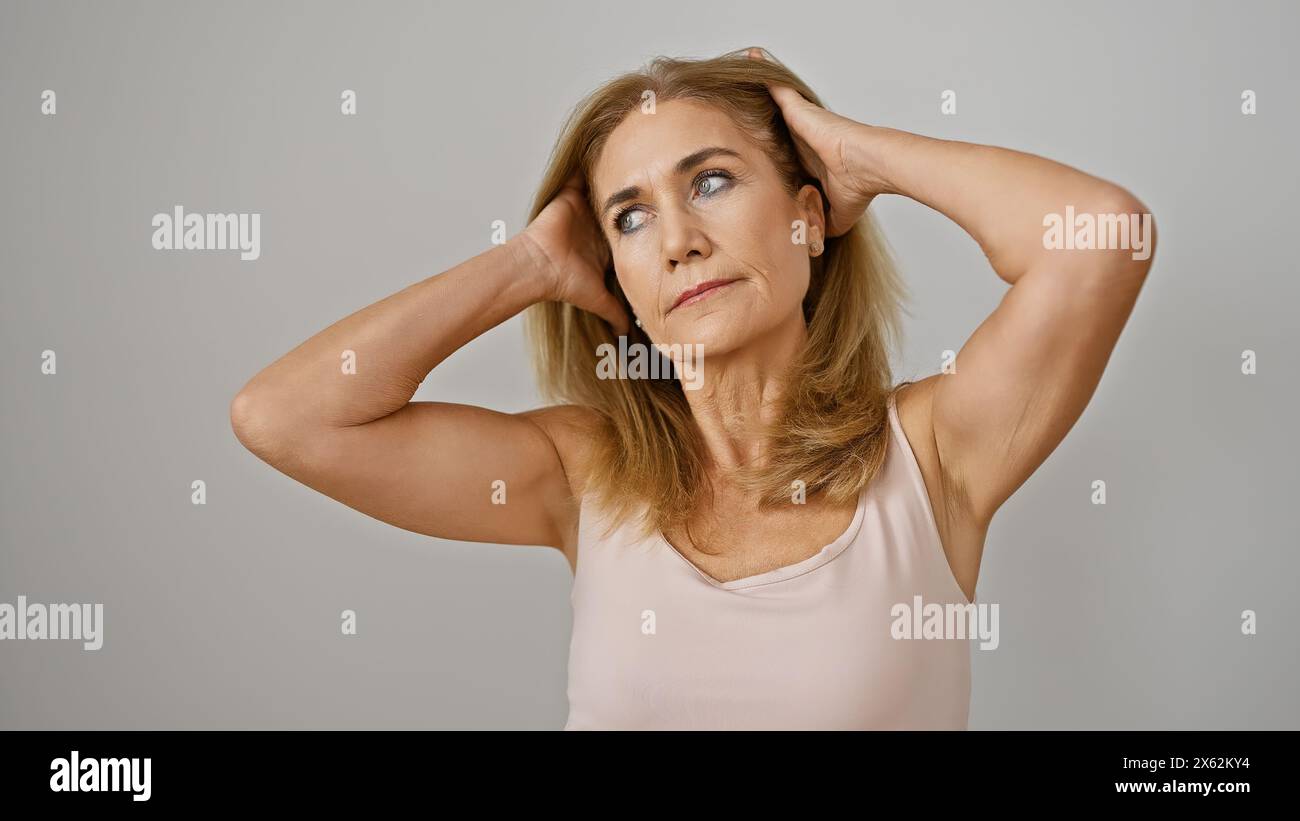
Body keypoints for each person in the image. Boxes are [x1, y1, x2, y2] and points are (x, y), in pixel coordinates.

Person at [230, 47, 1155, 729]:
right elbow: (286, 417)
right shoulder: (580, 473)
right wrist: (530, 262)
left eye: (711, 181)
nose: (677, 239)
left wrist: (860, 157)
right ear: (616, 272)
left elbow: (1104, 237)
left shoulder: (933, 455)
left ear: (807, 218)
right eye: (630, 217)